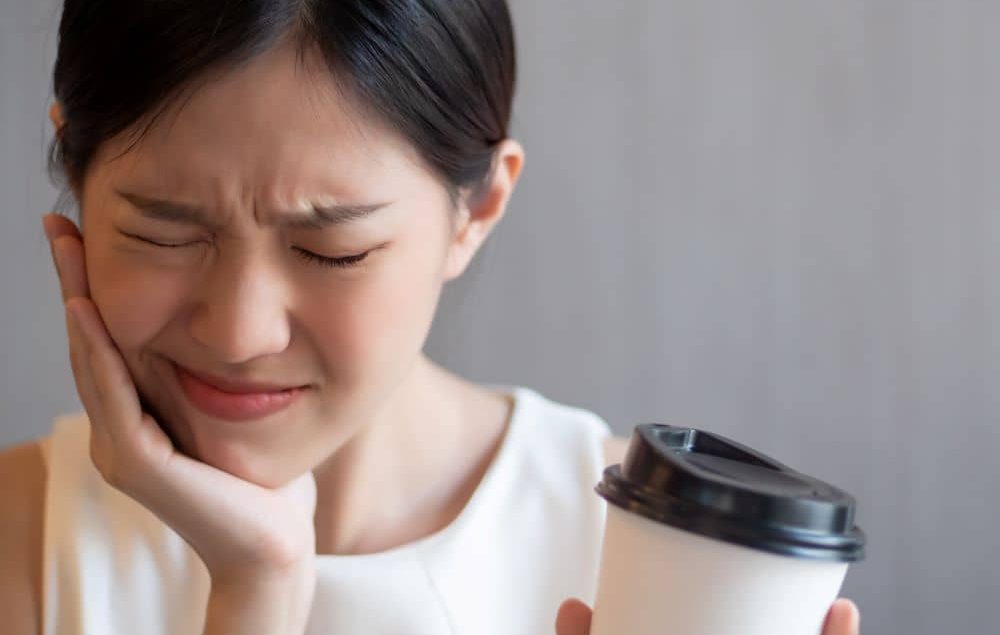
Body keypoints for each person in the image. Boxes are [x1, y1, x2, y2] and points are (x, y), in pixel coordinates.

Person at [0, 1, 862, 633]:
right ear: (76, 178)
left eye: (331, 250)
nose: (239, 332)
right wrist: (257, 588)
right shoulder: (23, 542)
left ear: (476, 210)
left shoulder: (648, 554)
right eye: (163, 232)